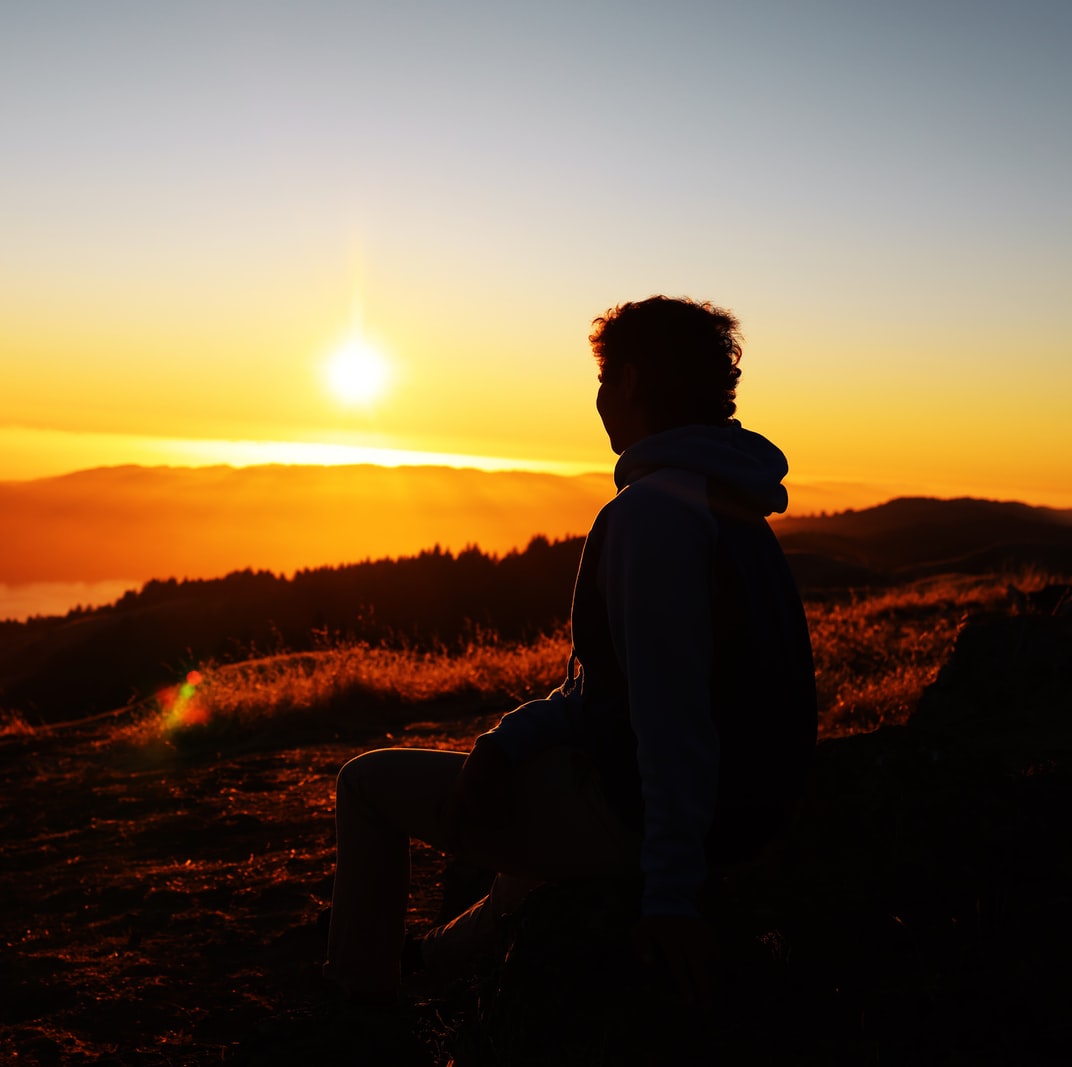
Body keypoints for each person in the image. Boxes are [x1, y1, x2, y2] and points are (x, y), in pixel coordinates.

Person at [323, 296, 817, 1007]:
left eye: (606, 378)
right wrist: (507, 739)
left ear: (635, 382)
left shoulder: (652, 515)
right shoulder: (728, 503)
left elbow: (671, 715)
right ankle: (434, 959)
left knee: (365, 784)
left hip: (673, 822)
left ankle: (354, 1006)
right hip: (750, 810)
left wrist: (672, 895)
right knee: (541, 781)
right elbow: (623, 690)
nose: (599, 398)